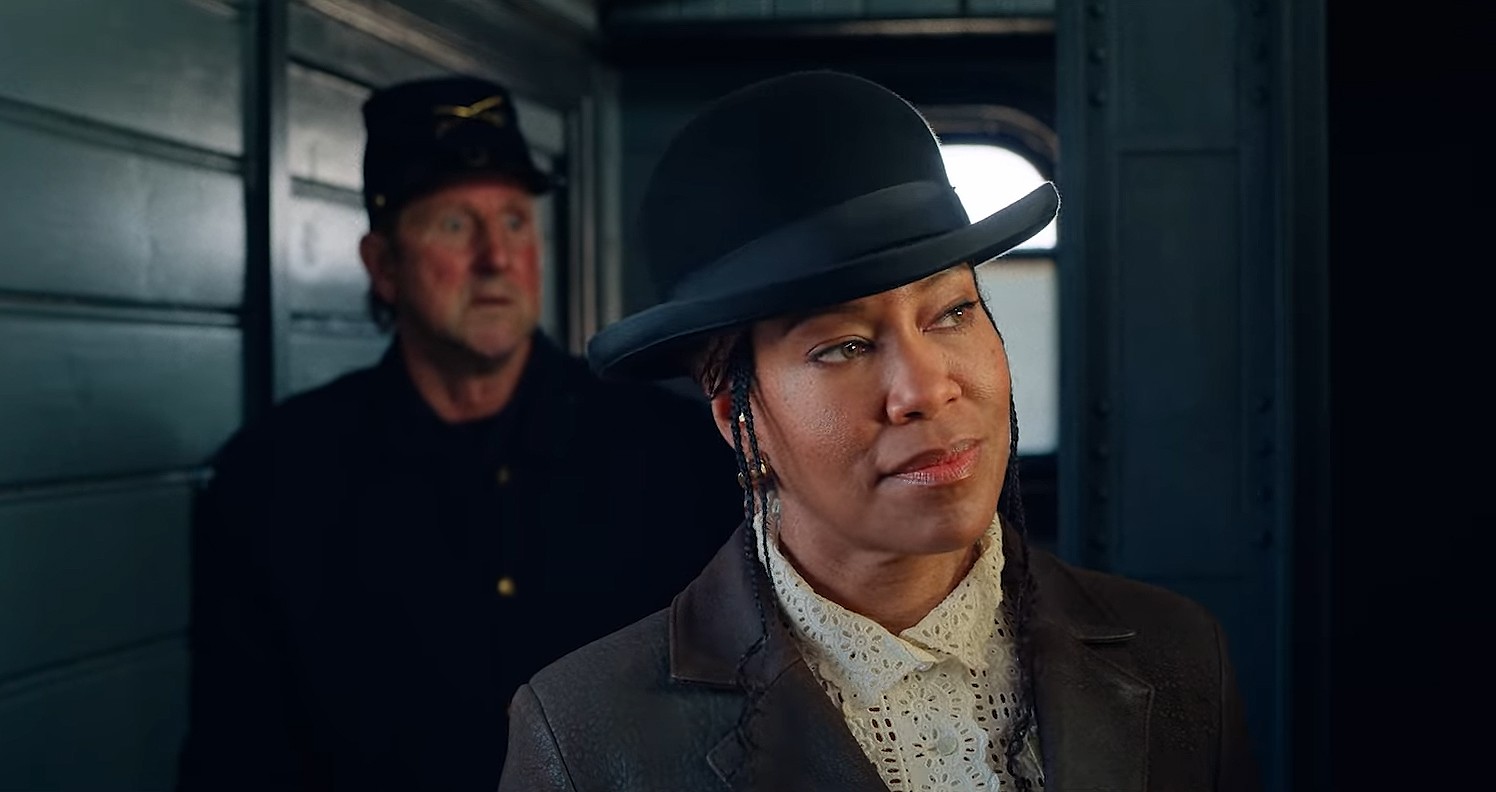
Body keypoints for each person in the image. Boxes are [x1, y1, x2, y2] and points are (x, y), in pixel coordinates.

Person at [497, 71, 1261, 791]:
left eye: (953, 312)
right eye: (845, 346)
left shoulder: (1178, 654)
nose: (926, 388)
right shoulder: (588, 736)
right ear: (739, 416)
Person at [175, 76, 742, 791]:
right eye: (453, 224)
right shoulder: (275, 482)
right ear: (384, 265)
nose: (495, 258)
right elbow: (236, 758)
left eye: (514, 222)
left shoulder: (674, 455)